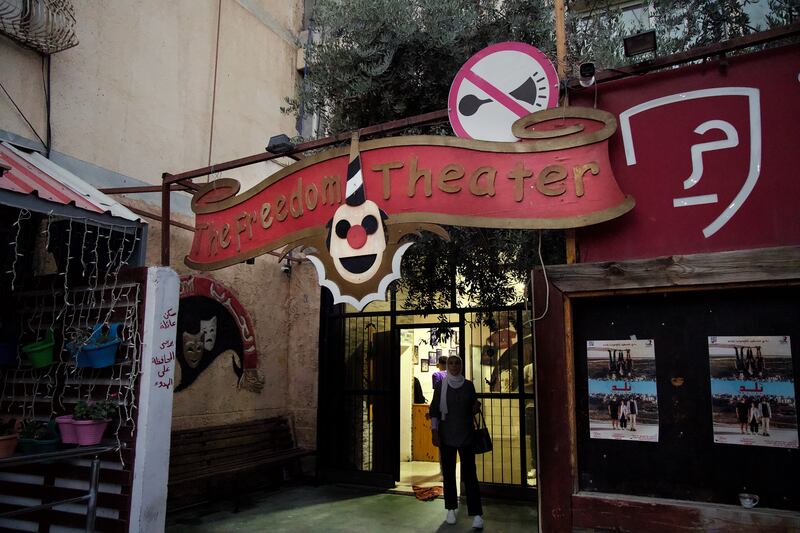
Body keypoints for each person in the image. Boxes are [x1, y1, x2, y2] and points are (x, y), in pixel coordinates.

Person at [429, 355, 484, 529]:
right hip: (446, 436)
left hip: (466, 435)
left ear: (461, 365)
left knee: (470, 475)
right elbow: (435, 411)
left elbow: (472, 407)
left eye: (457, 363)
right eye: (451, 363)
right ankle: (450, 508)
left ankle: (477, 514)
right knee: (449, 473)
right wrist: (434, 432)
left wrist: (476, 408)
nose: (454, 366)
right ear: (447, 365)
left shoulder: (468, 385)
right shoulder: (440, 386)